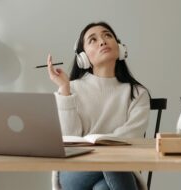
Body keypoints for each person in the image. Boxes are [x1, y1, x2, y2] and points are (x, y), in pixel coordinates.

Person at [47, 21, 150, 190]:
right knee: (114, 161)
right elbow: (69, 139)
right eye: (92, 40)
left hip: (118, 167)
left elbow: (130, 138)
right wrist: (64, 89)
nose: (102, 41)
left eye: (107, 36)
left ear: (120, 48)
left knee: (104, 185)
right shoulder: (71, 88)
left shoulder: (137, 93)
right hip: (75, 170)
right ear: (83, 57)